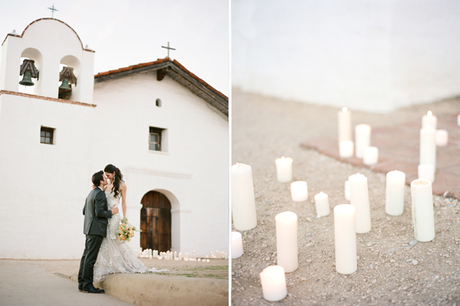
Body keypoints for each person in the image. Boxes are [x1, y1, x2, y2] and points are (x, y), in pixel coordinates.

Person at [93, 164, 164, 282]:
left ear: (114, 173)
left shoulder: (122, 185)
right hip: (106, 215)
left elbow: (124, 202)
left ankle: (120, 264)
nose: (107, 177)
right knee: (105, 240)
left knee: (114, 240)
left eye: (108, 175)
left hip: (115, 216)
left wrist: (124, 218)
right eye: (105, 175)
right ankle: (108, 265)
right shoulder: (107, 184)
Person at [78, 171, 119, 293]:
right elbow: (99, 213)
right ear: (101, 181)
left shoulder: (91, 193)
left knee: (86, 256)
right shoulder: (100, 194)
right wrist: (112, 212)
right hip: (96, 229)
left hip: (88, 228)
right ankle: (87, 285)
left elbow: (84, 211)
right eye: (104, 177)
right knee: (90, 258)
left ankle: (82, 283)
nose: (106, 178)